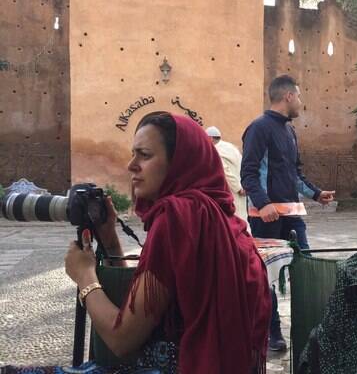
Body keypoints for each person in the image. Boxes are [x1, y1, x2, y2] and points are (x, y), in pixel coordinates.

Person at [64, 112, 271, 373]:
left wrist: (84, 276)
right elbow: (155, 295)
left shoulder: (177, 218)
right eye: (133, 154)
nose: (131, 165)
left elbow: (122, 339)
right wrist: (111, 241)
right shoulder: (225, 221)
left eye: (145, 155)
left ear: (178, 163)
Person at [241, 74, 335, 351]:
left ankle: (310, 331)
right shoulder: (258, 128)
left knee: (306, 271)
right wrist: (263, 203)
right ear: (288, 96)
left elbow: (293, 174)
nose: (301, 103)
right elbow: (248, 173)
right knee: (267, 279)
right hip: (266, 218)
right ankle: (273, 335)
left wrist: (316, 194)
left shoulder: (289, 131)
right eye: (300, 96)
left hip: (293, 216)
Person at [206, 125, 249, 229]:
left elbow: (225, 171)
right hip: (241, 187)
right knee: (242, 218)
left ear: (211, 138)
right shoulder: (231, 147)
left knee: (234, 221)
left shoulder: (215, 150)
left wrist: (238, 188)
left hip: (232, 189)